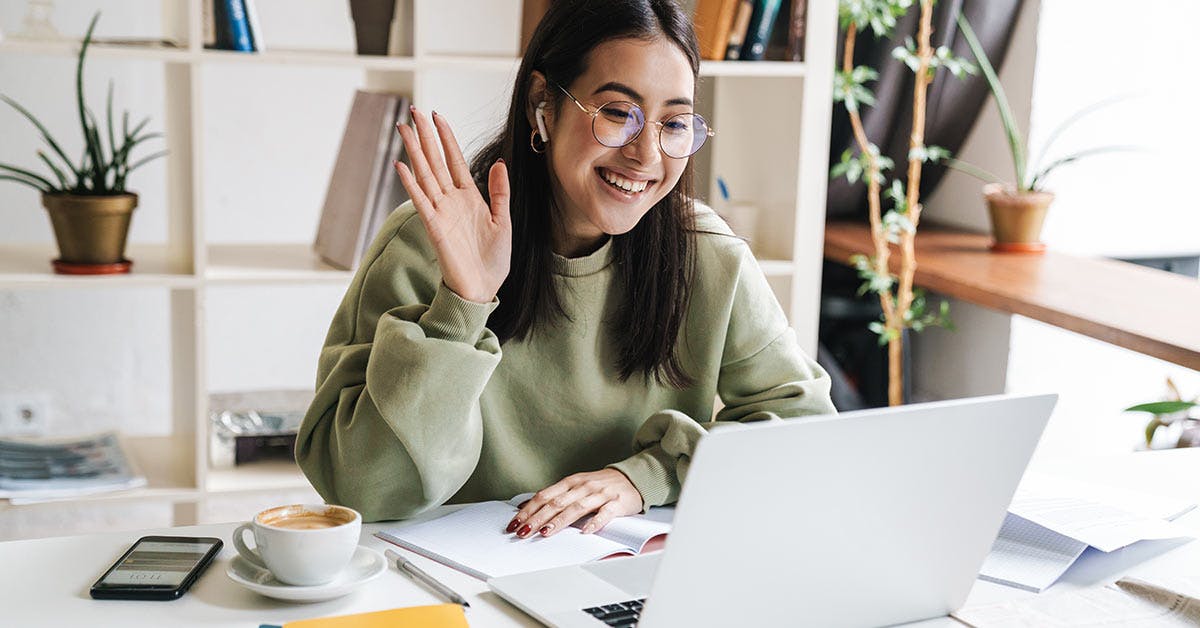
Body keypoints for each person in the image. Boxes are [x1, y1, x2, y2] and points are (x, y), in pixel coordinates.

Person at [296, 0, 835, 538]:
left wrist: (649, 475)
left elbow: (808, 432)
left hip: (631, 574)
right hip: (460, 583)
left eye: (674, 123)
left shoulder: (708, 255)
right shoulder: (426, 243)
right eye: (619, 113)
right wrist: (462, 305)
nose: (647, 155)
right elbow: (362, 490)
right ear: (543, 105)